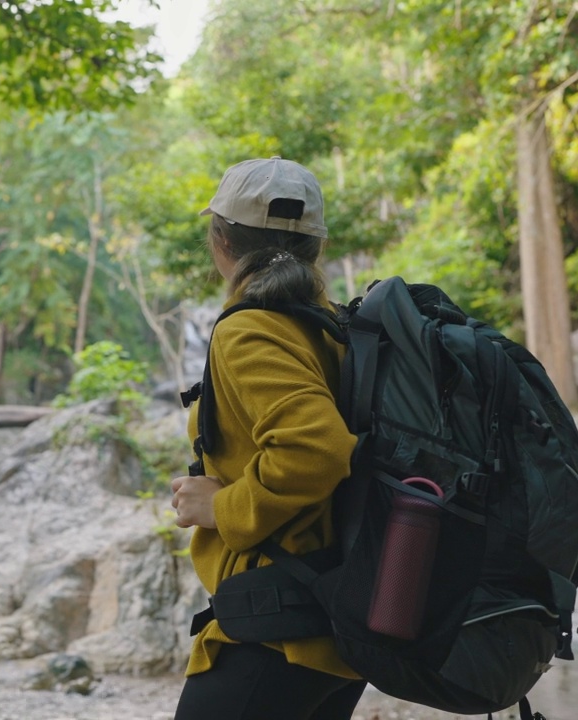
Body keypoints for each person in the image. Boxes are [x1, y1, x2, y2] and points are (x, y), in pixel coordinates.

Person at [170, 157, 367, 720]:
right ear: (316, 250)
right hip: (331, 624)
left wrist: (222, 505)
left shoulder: (252, 329)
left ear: (221, 240)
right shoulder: (329, 325)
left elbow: (316, 447)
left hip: (277, 624)